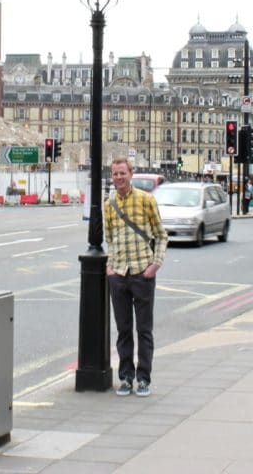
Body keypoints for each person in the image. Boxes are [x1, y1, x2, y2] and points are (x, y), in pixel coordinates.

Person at [104, 156, 167, 398]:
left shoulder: (146, 200)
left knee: (144, 330)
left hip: (142, 272)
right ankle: (126, 378)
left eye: (123, 173)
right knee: (123, 330)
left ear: (131, 174)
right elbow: (109, 238)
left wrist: (155, 265)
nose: (119, 177)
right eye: (115, 174)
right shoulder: (109, 204)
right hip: (119, 274)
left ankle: (143, 378)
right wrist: (110, 267)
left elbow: (161, 235)